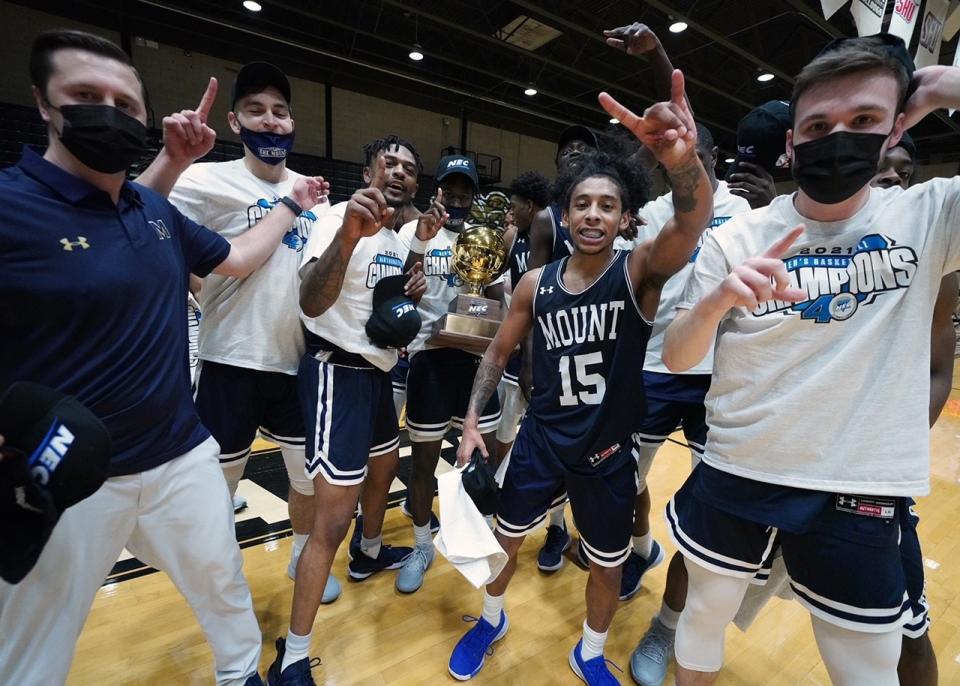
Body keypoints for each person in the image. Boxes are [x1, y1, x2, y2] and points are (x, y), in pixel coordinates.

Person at [0, 29, 327, 686]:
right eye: (85, 95)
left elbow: (235, 258)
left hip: (181, 456)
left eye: (125, 102)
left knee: (226, 592)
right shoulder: (11, 207)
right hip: (69, 477)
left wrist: (293, 203)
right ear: (43, 103)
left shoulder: (152, 208)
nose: (108, 111)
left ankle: (241, 677)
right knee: (32, 651)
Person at [660, 34, 960, 685]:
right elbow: (679, 357)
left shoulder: (930, 215)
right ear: (793, 143)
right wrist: (713, 303)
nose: (838, 137)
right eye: (819, 125)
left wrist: (950, 89)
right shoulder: (738, 235)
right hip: (739, 467)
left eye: (864, 121)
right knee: (703, 618)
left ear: (895, 129)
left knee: (869, 666)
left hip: (858, 486)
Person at [447, 70, 712, 685]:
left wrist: (684, 162)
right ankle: (490, 619)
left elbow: (692, 222)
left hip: (609, 452)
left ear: (624, 219)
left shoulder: (638, 272)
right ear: (564, 215)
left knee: (607, 566)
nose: (593, 214)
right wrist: (469, 419)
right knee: (504, 542)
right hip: (541, 438)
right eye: (582, 204)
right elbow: (496, 354)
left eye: (608, 205)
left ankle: (589, 654)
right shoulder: (534, 285)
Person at [168, 61, 335, 594]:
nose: (270, 121)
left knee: (306, 477)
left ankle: (300, 556)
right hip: (230, 359)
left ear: (292, 124)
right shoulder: (205, 179)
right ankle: (224, 576)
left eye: (280, 112)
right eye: (256, 111)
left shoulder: (314, 194)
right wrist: (203, 289)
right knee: (220, 484)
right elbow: (154, 231)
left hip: (298, 360)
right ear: (235, 123)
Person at [267, 136, 426, 686]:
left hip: (378, 375)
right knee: (332, 520)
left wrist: (411, 294)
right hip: (338, 373)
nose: (400, 173)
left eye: (409, 168)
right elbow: (312, 301)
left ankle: (370, 552)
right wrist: (346, 237)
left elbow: (385, 314)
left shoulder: (397, 239)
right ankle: (292, 655)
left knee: (386, 469)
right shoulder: (333, 217)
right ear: (368, 171)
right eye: (391, 163)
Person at [526, 21, 678, 571]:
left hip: (615, 400)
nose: (573, 162)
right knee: (539, 487)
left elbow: (674, 168)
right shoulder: (547, 230)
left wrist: (657, 60)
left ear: (621, 212)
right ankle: (553, 531)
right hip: (553, 384)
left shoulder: (633, 255)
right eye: (564, 157)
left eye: (580, 154)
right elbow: (536, 304)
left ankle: (616, 550)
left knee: (613, 505)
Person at [610, 122, 751, 608]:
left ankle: (684, 605)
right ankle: (642, 549)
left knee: (709, 496)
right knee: (626, 480)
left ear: (713, 157)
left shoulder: (742, 210)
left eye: (699, 157)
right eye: (678, 160)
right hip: (654, 365)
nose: (689, 167)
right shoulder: (650, 214)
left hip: (718, 370)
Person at [393, 154, 505, 593]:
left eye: (465, 193)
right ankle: (422, 545)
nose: (456, 200)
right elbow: (396, 289)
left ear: (474, 197)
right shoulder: (412, 232)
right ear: (435, 191)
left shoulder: (487, 237)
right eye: (449, 191)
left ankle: (477, 538)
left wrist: (489, 264)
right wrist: (423, 242)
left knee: (482, 461)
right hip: (429, 359)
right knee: (421, 465)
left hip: (477, 365)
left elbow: (498, 301)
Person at [495, 170, 550, 462]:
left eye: (514, 206)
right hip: (517, 342)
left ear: (529, 205)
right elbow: (496, 282)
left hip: (544, 346)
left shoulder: (552, 237)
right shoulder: (512, 236)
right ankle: (499, 483)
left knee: (538, 425)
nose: (511, 212)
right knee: (504, 424)